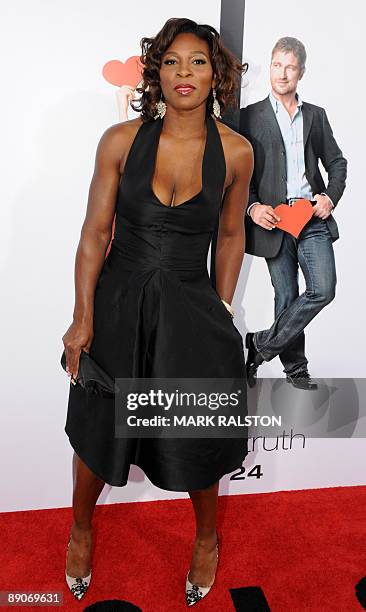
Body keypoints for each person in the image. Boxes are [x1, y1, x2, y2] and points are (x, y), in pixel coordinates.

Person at [62, 17, 253, 606]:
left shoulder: (237, 152)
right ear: (157, 72)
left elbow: (229, 235)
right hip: (119, 305)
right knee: (98, 433)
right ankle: (81, 528)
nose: (184, 73)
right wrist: (81, 316)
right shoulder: (120, 140)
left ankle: (205, 538)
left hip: (190, 309)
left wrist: (220, 309)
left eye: (197, 62)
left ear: (215, 75)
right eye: (172, 62)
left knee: (197, 432)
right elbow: (95, 233)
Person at [239, 36, 347, 390]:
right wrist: (252, 207)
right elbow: (239, 173)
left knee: (323, 289)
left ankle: (259, 345)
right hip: (274, 221)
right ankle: (295, 367)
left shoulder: (315, 115)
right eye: (276, 65)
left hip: (311, 217)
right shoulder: (249, 117)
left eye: (289, 67)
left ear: (301, 71)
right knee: (285, 296)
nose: (281, 73)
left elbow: (336, 162)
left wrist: (330, 196)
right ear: (270, 66)